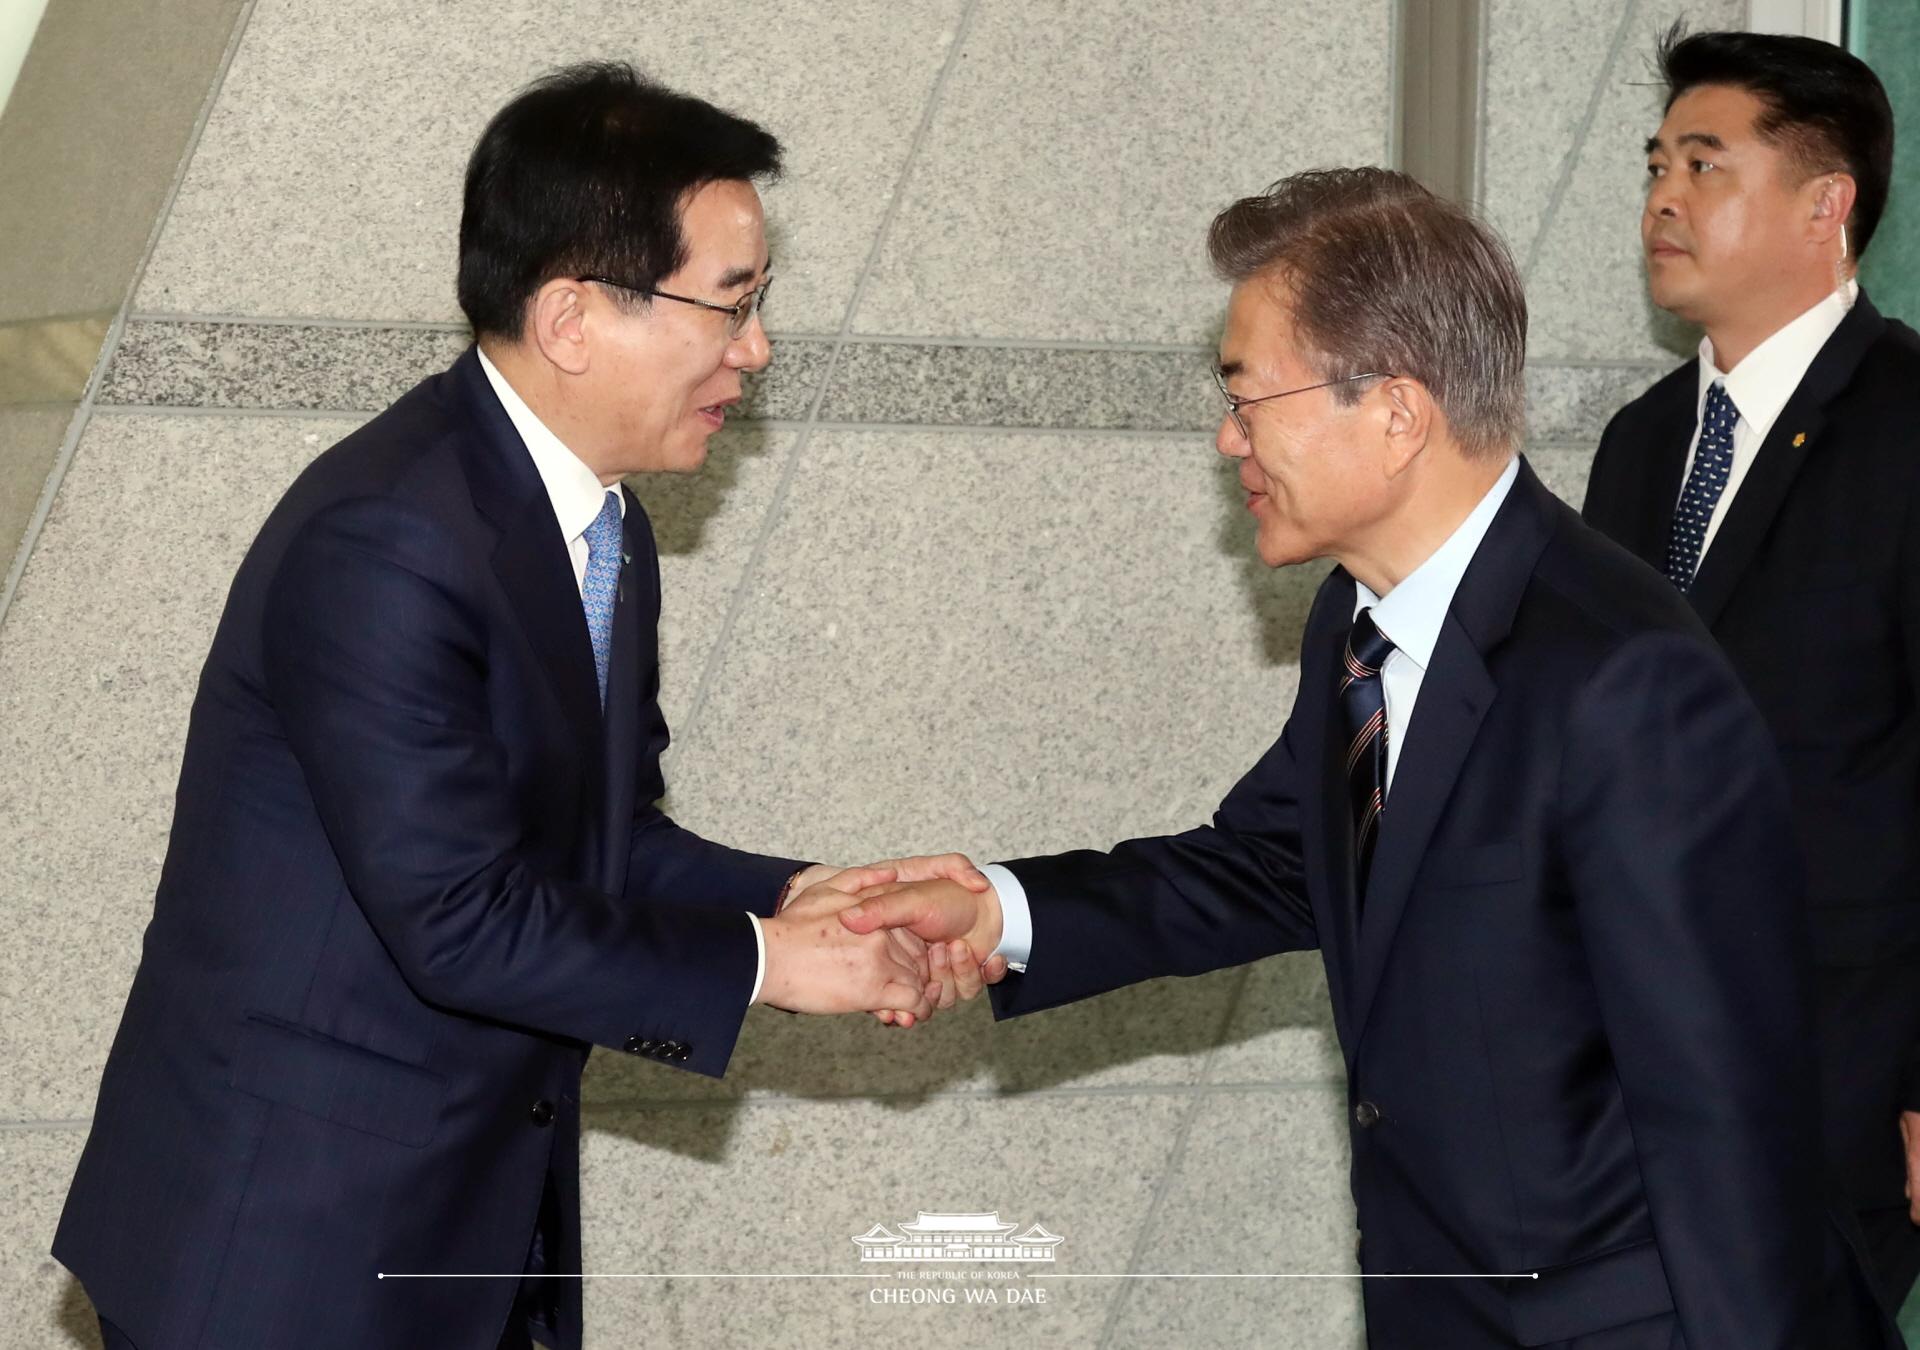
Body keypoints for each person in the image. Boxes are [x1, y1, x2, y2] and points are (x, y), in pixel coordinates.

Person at [843, 166, 1885, 1347]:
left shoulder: (1623, 678)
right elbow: (1277, 864)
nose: (1227, 435)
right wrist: (1000, 914)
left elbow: (1726, 1112)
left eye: (1249, 396)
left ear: (1396, 413)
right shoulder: (1358, 620)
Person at [53, 63, 991, 1350]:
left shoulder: (601, 524)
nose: (755, 351)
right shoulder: (386, 537)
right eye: (731, 304)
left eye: (760, 304)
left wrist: (806, 894)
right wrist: (777, 966)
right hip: (284, 1243)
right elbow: (458, 920)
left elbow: (597, 841)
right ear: (571, 319)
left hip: (461, 1222)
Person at [1580, 27, 1920, 1325]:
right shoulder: (1643, 443)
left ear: (1826, 204)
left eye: (1706, 166)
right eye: (1657, 163)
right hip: (1625, 1078)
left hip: (1833, 1079)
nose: (1663, 197)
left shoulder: (1906, 422)